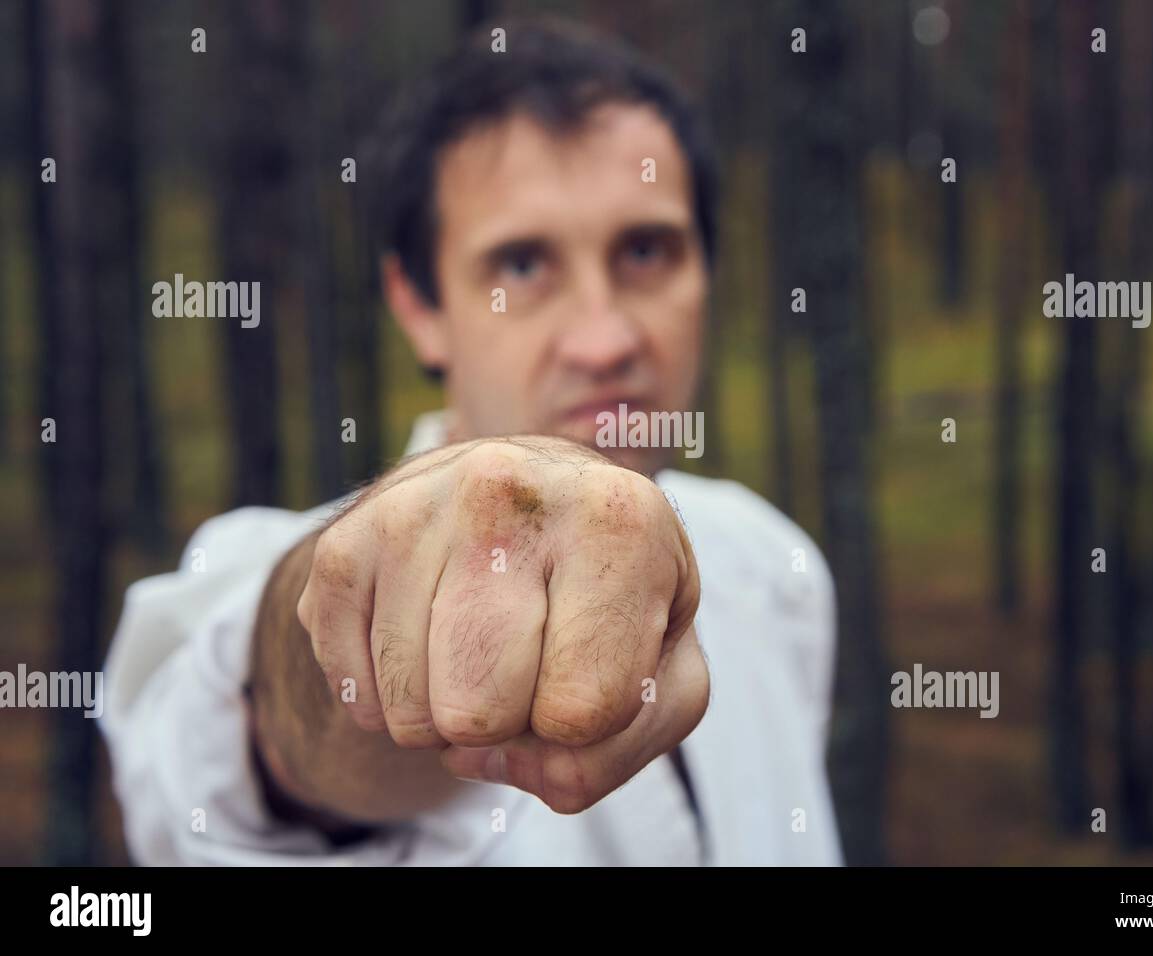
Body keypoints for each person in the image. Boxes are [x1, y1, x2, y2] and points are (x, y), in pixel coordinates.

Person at [101, 17, 842, 866]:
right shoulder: (255, 576)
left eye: (646, 250)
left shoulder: (775, 569)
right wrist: (381, 603)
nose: (604, 340)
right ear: (419, 306)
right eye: (522, 266)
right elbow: (253, 741)